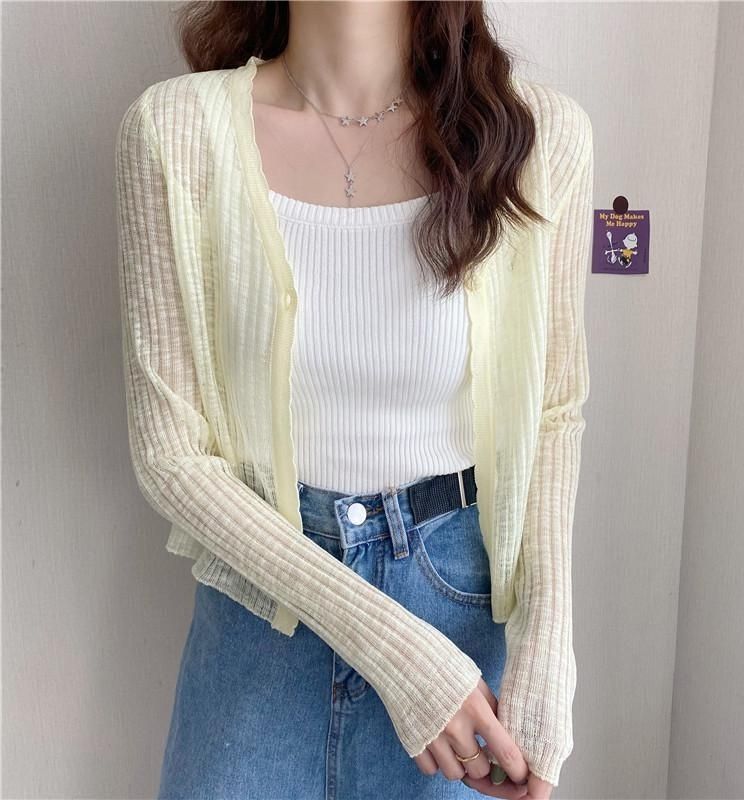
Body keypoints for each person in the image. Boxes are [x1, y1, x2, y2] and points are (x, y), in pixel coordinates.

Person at [114, 2, 594, 798]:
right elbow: (172, 456)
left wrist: (548, 642)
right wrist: (400, 657)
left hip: (460, 621)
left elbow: (554, 409)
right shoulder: (174, 132)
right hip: (263, 614)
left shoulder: (539, 137)